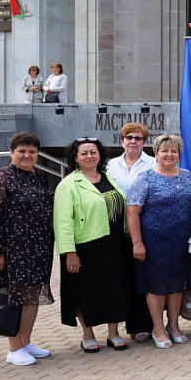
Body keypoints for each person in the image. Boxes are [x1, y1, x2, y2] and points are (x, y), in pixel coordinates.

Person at [0, 132, 55, 366]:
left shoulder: (39, 177)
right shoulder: (2, 178)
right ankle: (13, 347)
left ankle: (25, 341)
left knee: (31, 295)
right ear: (12, 152)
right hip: (13, 250)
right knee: (14, 296)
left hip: (38, 248)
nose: (27, 155)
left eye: (32, 152)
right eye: (21, 151)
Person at [54, 138, 131, 353]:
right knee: (84, 291)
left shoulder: (108, 178)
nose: (89, 156)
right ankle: (87, 334)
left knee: (114, 288)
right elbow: (62, 222)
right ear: (75, 158)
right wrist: (69, 252)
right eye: (84, 153)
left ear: (100, 155)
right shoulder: (68, 185)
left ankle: (114, 333)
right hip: (85, 246)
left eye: (93, 152)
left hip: (113, 243)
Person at [126, 134, 191, 349]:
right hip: (153, 242)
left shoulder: (186, 176)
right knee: (156, 286)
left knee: (177, 284)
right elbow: (132, 212)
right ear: (156, 154)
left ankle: (173, 325)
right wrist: (137, 243)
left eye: (173, 151)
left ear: (179, 154)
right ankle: (158, 328)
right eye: (164, 151)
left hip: (181, 241)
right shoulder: (145, 178)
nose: (169, 154)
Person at [106, 122, 156, 342]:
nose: (133, 142)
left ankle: (142, 325)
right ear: (122, 140)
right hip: (117, 229)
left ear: (144, 142)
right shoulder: (111, 165)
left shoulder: (152, 164)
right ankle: (121, 325)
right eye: (129, 138)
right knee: (121, 277)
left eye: (138, 138)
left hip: (145, 227)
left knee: (142, 278)